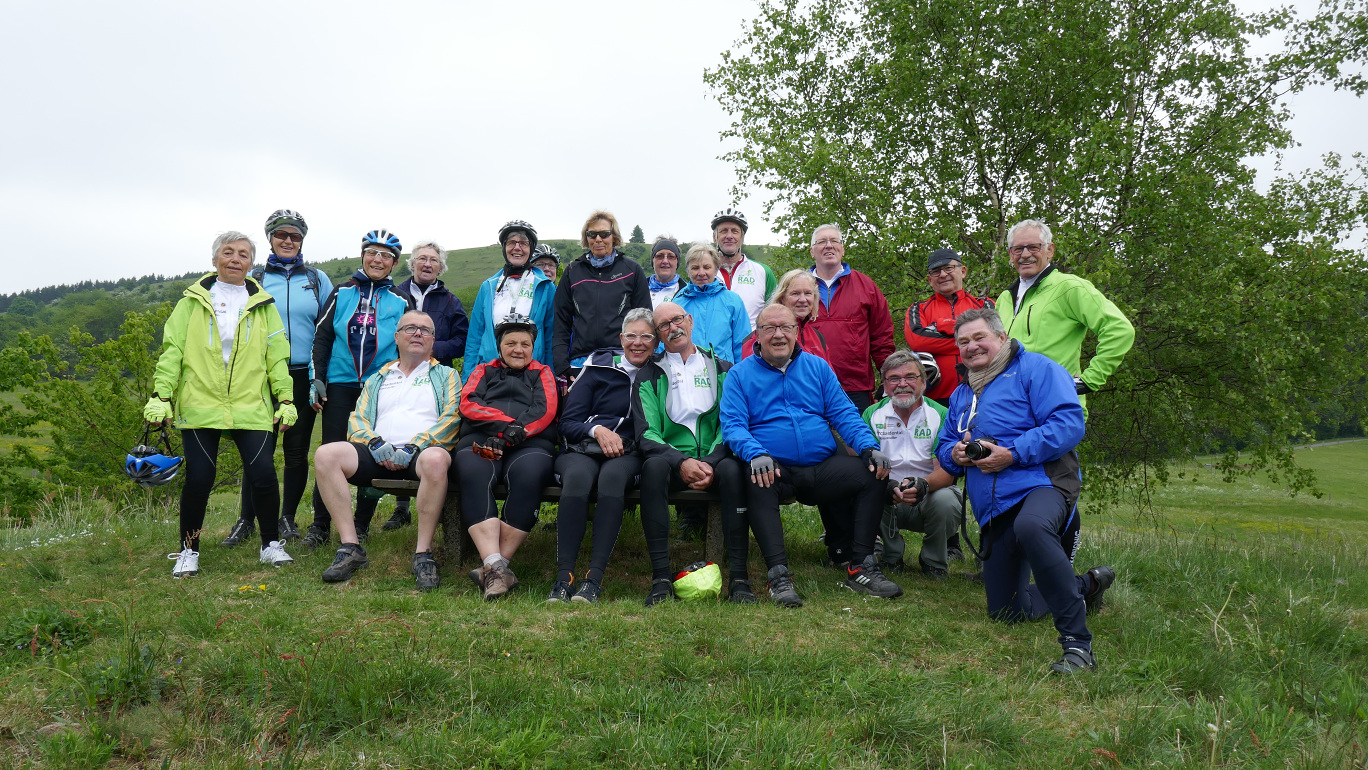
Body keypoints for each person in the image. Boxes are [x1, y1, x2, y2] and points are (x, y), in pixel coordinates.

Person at [936, 308, 1115, 674]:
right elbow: (946, 445)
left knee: (1031, 527)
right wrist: (953, 453)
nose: (971, 347)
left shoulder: (1037, 369)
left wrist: (1012, 453)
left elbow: (1068, 423)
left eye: (979, 337)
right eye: (963, 342)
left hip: (1044, 484)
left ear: (1001, 338)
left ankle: (1078, 646)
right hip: (994, 507)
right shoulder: (961, 393)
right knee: (1006, 612)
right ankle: (1085, 585)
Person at [720, 304, 900, 606]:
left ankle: (861, 567)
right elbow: (733, 425)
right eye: (770, 328)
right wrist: (756, 454)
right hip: (776, 467)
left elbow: (844, 414)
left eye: (786, 327)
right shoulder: (740, 375)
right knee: (758, 478)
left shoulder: (817, 367)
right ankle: (778, 577)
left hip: (823, 465)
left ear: (796, 331)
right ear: (758, 335)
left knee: (873, 474)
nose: (778, 335)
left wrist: (869, 447)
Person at [146, 231, 296, 578]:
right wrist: (162, 395)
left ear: (251, 263)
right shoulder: (190, 303)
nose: (235, 259)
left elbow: (277, 357)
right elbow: (173, 352)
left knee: (262, 475)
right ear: (215, 260)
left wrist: (285, 399)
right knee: (200, 477)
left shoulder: (264, 305)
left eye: (243, 254)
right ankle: (188, 550)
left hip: (251, 404)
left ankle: (270, 545)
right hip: (200, 402)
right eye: (228, 253)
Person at [315, 311, 461, 590]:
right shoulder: (379, 377)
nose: (417, 334)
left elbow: (452, 418)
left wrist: (415, 445)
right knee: (326, 454)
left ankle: (423, 554)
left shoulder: (447, 375)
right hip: (376, 452)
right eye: (410, 328)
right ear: (397, 337)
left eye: (425, 330)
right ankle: (351, 547)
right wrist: (374, 443)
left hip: (420, 453)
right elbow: (357, 419)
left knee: (436, 459)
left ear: (433, 341)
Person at [223, 210, 334, 547]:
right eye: (281, 235)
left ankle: (287, 518)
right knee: (258, 449)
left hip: (302, 374)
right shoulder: (254, 277)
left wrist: (320, 376)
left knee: (297, 451)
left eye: (295, 236)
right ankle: (246, 519)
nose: (288, 241)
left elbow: (325, 329)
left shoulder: (317, 279)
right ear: (270, 238)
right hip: (259, 376)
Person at [633, 302, 747, 605]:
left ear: (690, 320)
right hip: (671, 460)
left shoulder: (723, 368)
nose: (673, 328)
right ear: (658, 335)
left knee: (735, 472)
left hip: (716, 457)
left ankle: (739, 578)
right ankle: (660, 578)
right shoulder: (649, 373)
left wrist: (709, 462)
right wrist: (681, 461)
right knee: (653, 469)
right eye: (664, 326)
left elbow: (732, 423)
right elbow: (646, 433)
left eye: (677, 320)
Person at [301, 230, 410, 549]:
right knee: (328, 453)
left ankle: (360, 524)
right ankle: (320, 525)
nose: (378, 259)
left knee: (371, 454)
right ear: (363, 256)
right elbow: (321, 339)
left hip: (380, 389)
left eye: (386, 255)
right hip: (339, 386)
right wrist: (317, 378)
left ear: (394, 263)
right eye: (372, 253)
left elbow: (408, 347)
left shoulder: (401, 301)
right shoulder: (342, 292)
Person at [549, 308, 655, 604]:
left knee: (611, 479)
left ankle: (594, 578)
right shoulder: (598, 366)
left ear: (656, 342)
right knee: (578, 479)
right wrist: (596, 430)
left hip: (628, 453)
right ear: (621, 339)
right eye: (631, 335)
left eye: (646, 336)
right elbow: (568, 423)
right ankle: (563, 577)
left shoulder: (660, 374)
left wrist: (624, 440)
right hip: (582, 447)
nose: (638, 342)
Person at [453, 314, 559, 600]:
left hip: (529, 443)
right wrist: (502, 426)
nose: (518, 349)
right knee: (474, 472)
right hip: (481, 438)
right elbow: (469, 403)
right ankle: (498, 568)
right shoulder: (483, 370)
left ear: (533, 347)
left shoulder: (543, 372)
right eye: (511, 343)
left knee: (531, 474)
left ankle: (494, 567)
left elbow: (545, 409)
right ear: (499, 346)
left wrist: (513, 432)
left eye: (525, 344)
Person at [996, 219, 1135, 412]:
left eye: (1034, 247)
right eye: (1018, 249)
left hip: (1055, 410)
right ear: (1011, 255)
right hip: (1012, 410)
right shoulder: (1004, 298)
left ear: (1050, 250)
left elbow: (1120, 330)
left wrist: (1089, 380)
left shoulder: (1069, 287)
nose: (1025, 254)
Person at [385, 240, 469, 532]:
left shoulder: (450, 301)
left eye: (433, 260)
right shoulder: (396, 294)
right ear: (412, 263)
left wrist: (433, 349)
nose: (427, 264)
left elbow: (462, 339)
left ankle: (433, 501)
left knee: (427, 428)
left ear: (441, 267)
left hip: (436, 373)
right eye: (422, 258)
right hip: (398, 371)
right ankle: (400, 507)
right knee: (394, 426)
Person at [862, 350, 961, 577]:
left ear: (924, 383)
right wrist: (888, 485)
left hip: (929, 495)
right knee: (867, 490)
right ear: (885, 386)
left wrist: (922, 485)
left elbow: (947, 472)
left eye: (910, 377)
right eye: (894, 379)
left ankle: (934, 561)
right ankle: (891, 556)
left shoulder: (941, 414)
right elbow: (863, 463)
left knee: (948, 499)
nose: (902, 384)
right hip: (886, 494)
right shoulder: (872, 414)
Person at [805, 224, 896, 411]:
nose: (828, 245)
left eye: (834, 241)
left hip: (856, 386)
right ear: (812, 251)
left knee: (857, 440)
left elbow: (882, 338)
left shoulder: (866, 286)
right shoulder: (798, 287)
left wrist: (890, 377)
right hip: (808, 384)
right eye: (822, 242)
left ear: (843, 249)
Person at [552, 210, 651, 378]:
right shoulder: (572, 272)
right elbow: (561, 323)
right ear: (586, 238)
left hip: (621, 359)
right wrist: (562, 366)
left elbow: (646, 319)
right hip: (580, 362)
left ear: (614, 237)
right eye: (592, 234)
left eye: (605, 234)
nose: (598, 239)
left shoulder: (632, 270)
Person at [463, 220, 555, 382]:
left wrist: (550, 378)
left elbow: (551, 336)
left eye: (523, 243)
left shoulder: (545, 287)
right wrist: (468, 378)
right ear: (504, 248)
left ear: (531, 248)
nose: (517, 247)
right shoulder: (488, 286)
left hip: (532, 372)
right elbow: (475, 336)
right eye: (511, 242)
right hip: (490, 371)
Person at [904, 248, 994, 405]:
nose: (943, 274)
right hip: (934, 399)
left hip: (984, 392)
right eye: (936, 271)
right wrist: (974, 339)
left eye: (948, 268)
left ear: (963, 271)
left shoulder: (984, 304)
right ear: (929, 279)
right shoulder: (918, 309)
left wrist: (940, 327)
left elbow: (994, 338)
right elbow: (918, 341)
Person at [672, 244, 751, 364]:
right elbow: (667, 343)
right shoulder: (677, 303)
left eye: (707, 267)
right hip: (687, 374)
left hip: (724, 374)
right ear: (688, 271)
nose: (701, 273)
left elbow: (743, 345)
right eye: (695, 268)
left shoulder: (733, 301)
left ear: (716, 269)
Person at [741, 269, 829, 361]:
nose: (803, 299)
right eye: (795, 294)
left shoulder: (818, 337)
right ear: (782, 297)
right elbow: (751, 372)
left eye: (808, 293)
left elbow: (828, 373)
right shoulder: (759, 337)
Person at [711, 208, 776, 327]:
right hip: (715, 344)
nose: (729, 236)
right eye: (724, 231)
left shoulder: (763, 272)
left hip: (751, 343)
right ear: (715, 237)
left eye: (735, 231)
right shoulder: (704, 273)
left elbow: (775, 313)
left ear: (742, 237)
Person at [647, 237, 684, 308]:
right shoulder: (638, 288)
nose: (665, 261)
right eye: (660, 256)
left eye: (671, 257)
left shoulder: (687, 292)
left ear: (677, 262)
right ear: (653, 261)